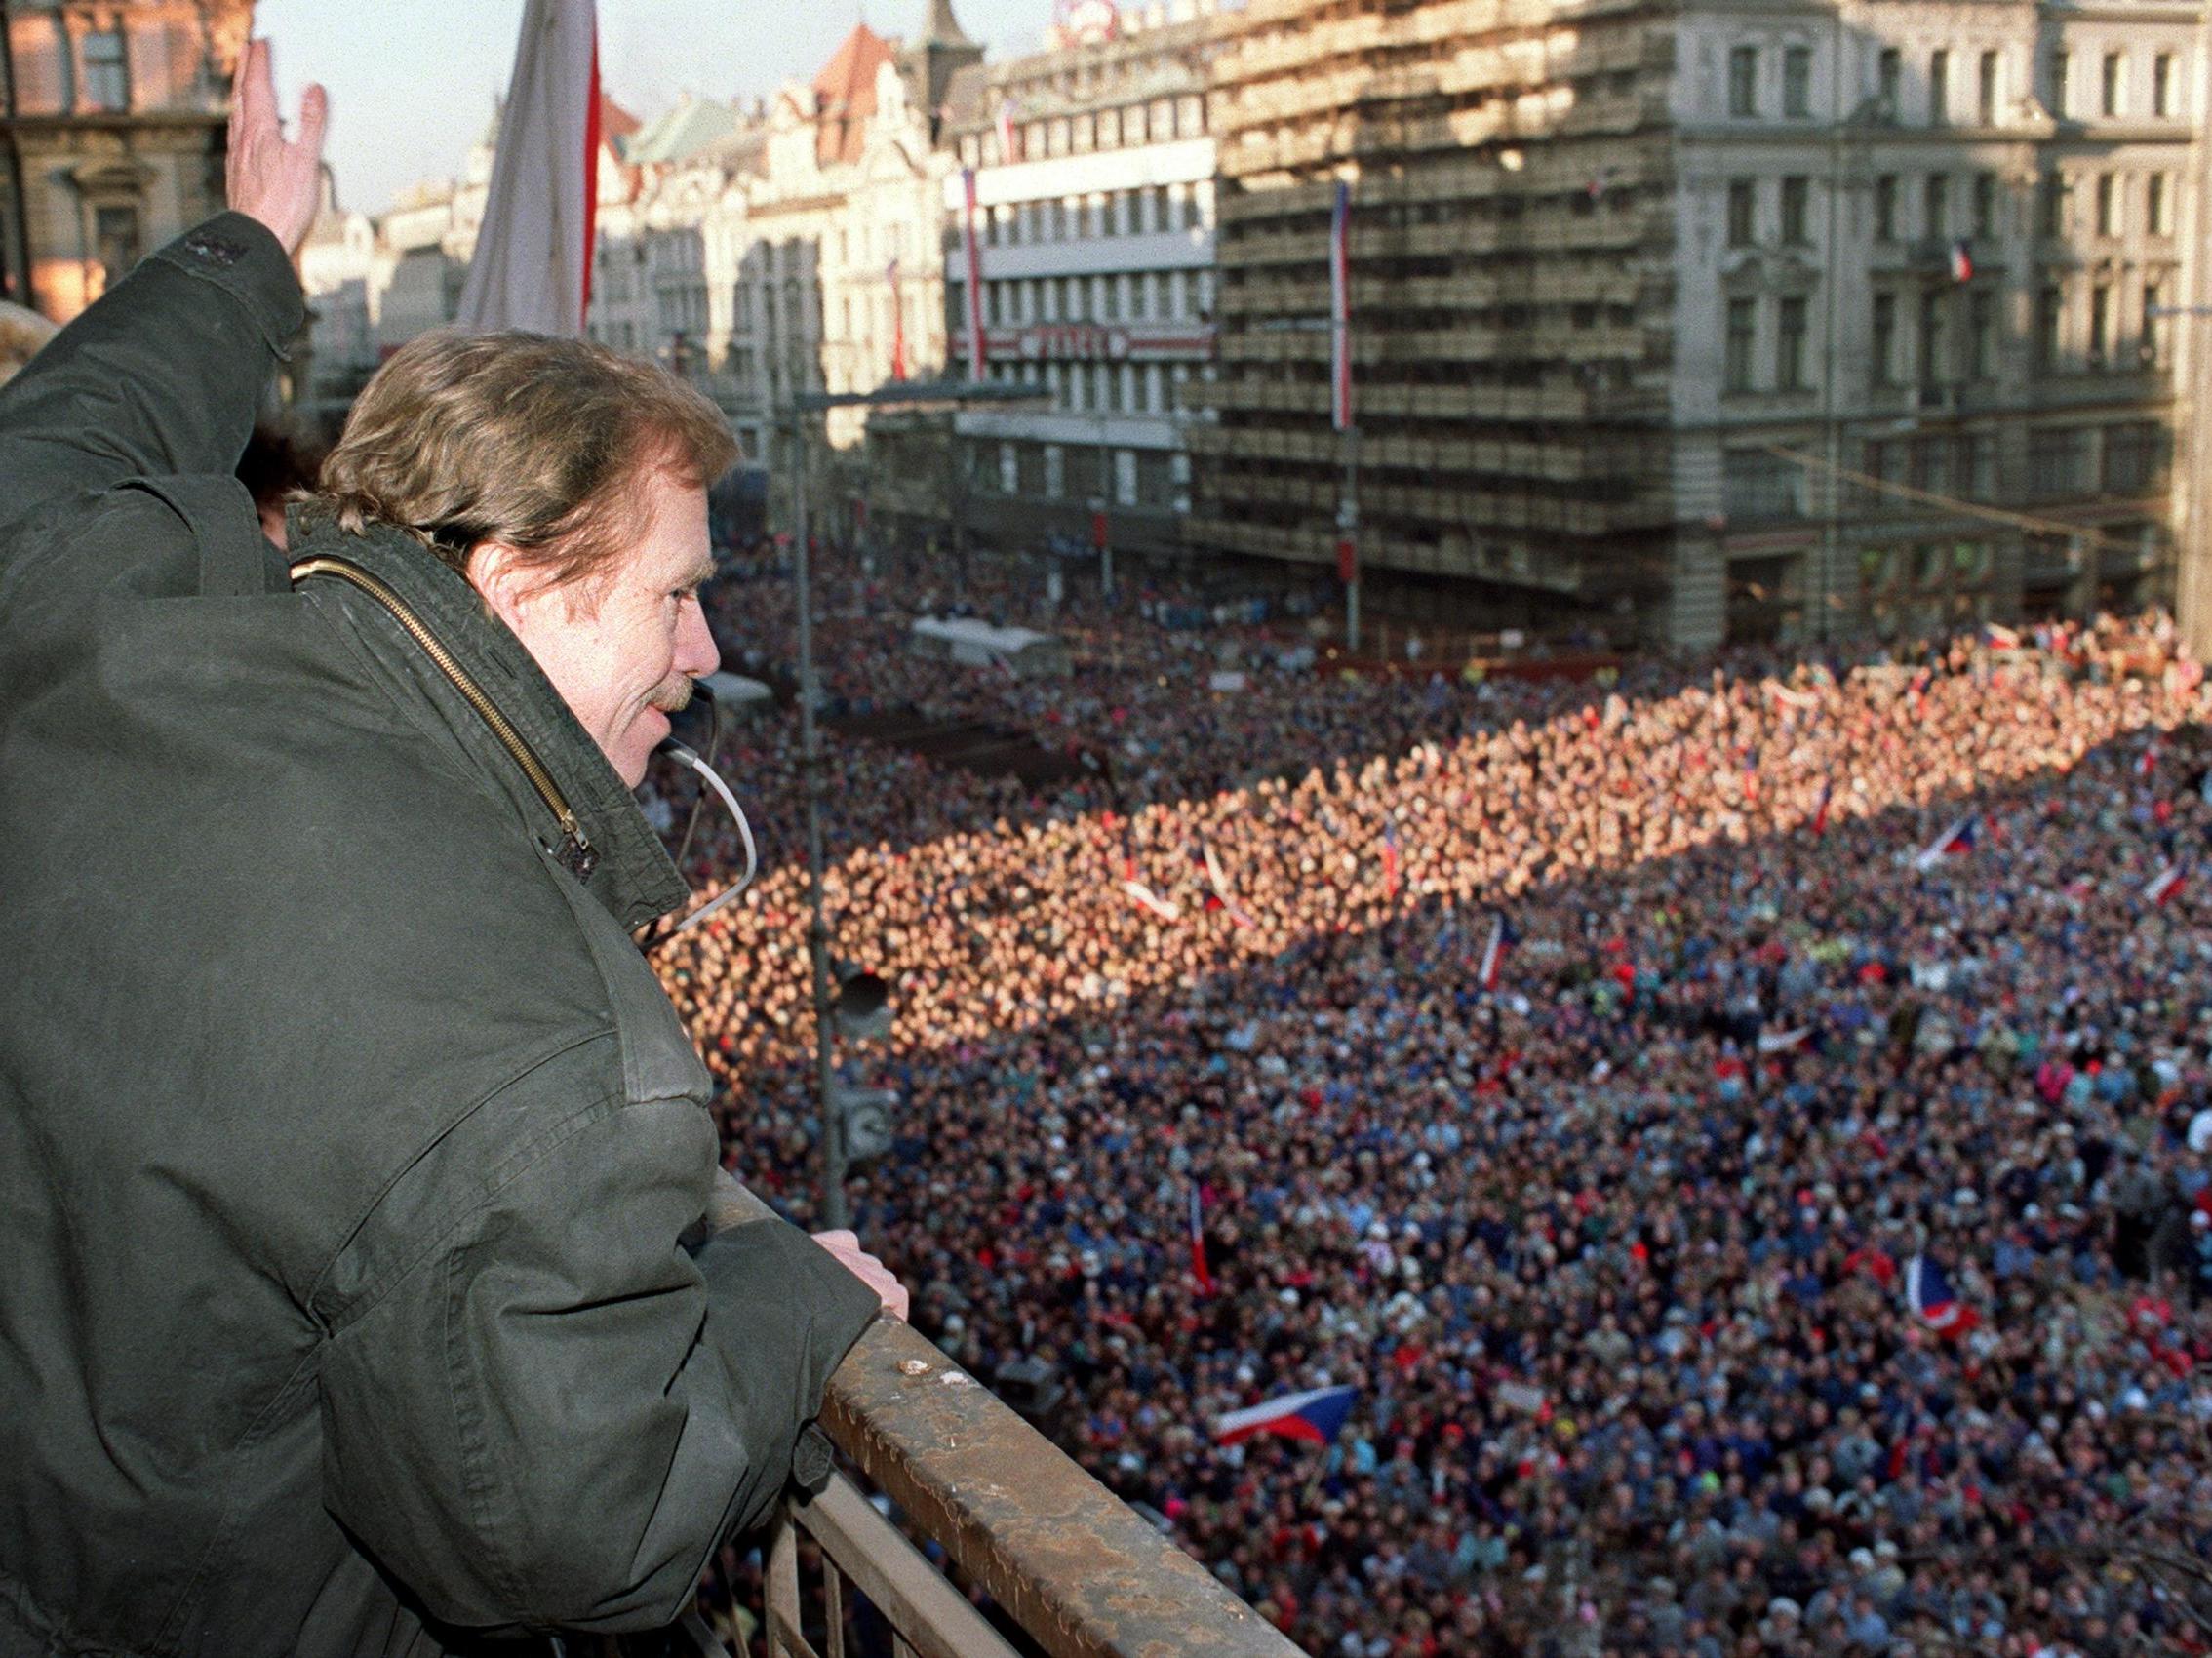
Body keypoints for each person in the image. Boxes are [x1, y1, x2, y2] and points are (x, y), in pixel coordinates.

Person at [0, 43, 899, 1658]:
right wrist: (796, 1301)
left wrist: (251, 252)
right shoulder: (529, 1041)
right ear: (518, 583)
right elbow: (583, 1527)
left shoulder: (93, 606)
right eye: (677, 592)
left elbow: (53, 440)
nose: (705, 651)